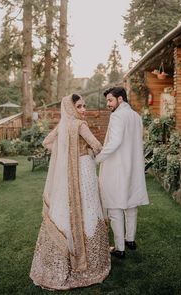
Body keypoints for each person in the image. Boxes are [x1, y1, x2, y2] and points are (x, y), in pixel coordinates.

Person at [30, 94, 110, 290]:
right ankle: (89, 261)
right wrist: (89, 153)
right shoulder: (80, 125)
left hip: (68, 173)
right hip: (83, 170)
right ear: (72, 108)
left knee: (70, 207)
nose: (83, 110)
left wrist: (64, 153)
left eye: (84, 106)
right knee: (88, 208)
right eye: (79, 106)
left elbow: (47, 142)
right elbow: (97, 146)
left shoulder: (64, 125)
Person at [96, 87, 149, 259]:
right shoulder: (136, 116)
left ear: (120, 99)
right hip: (133, 166)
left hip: (117, 167)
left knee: (114, 206)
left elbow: (115, 142)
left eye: (110, 100)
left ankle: (119, 248)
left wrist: (97, 158)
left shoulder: (117, 116)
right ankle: (130, 240)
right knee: (131, 204)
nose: (108, 104)